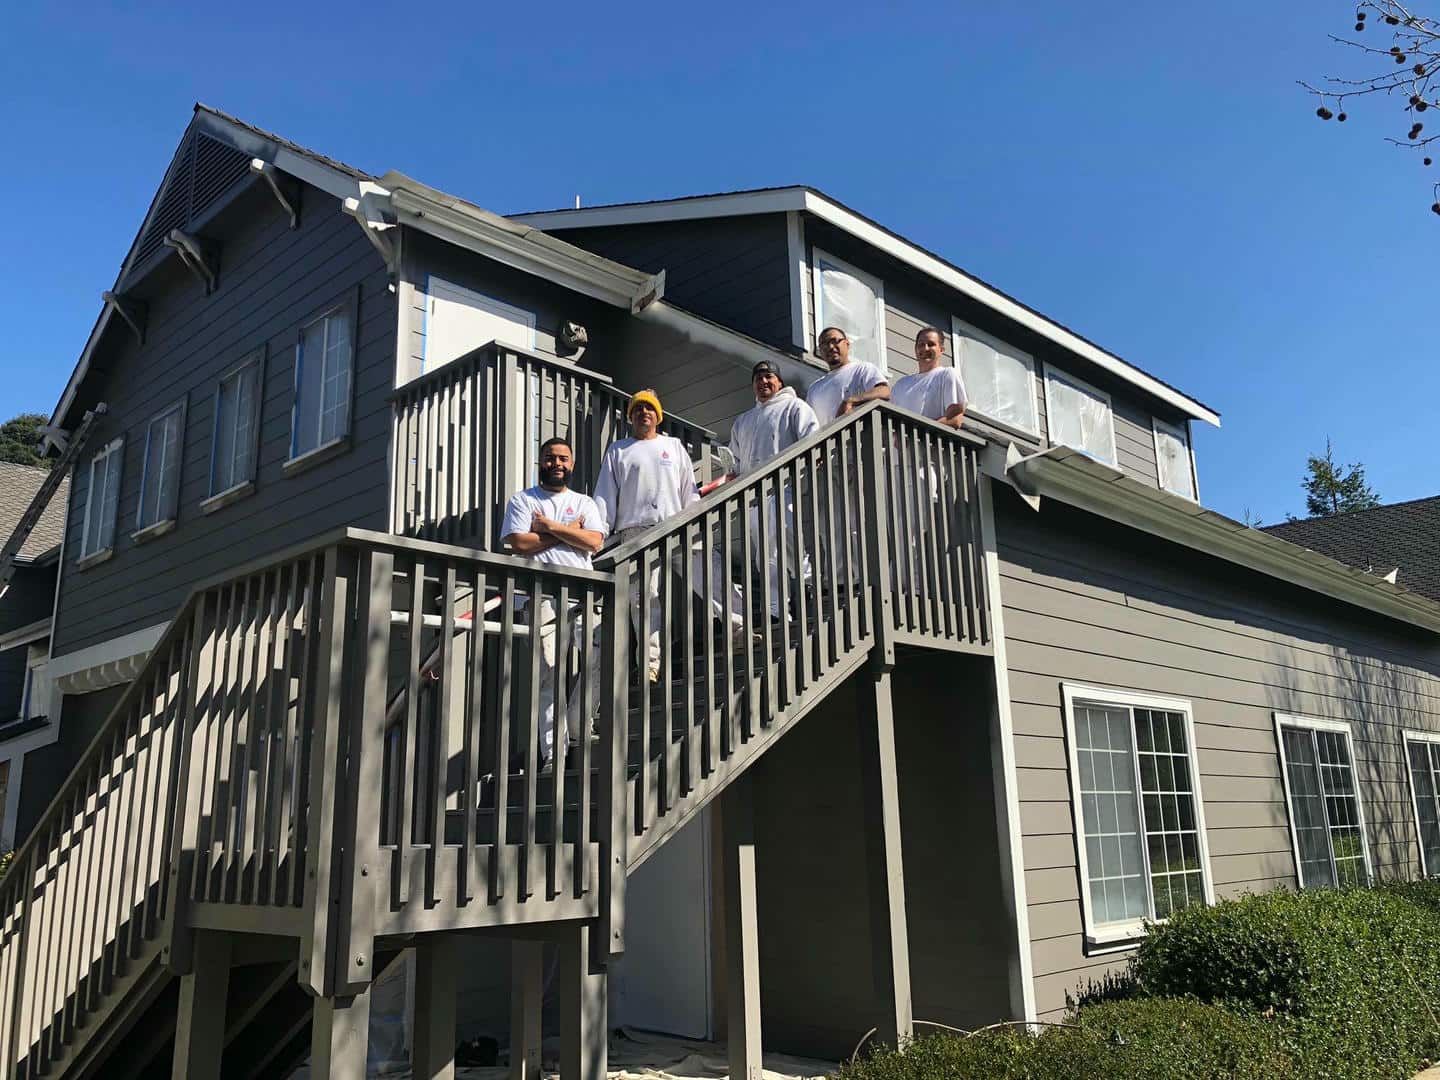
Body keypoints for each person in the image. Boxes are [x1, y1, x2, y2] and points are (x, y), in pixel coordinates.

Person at [595, 389, 746, 681]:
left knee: (710, 576)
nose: (644, 413)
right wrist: (600, 529)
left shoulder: (673, 446)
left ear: (658, 416)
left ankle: (739, 630)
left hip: (677, 525)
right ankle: (650, 663)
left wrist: (695, 520)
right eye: (638, 409)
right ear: (631, 416)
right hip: (636, 531)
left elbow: (688, 489)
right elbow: (605, 494)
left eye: (649, 408)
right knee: (644, 598)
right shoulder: (619, 450)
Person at [501, 437, 607, 772]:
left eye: (563, 458)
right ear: (541, 461)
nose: (556, 463)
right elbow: (519, 543)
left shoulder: (584, 502)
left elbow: (594, 541)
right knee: (549, 675)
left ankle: (577, 724)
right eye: (550, 457)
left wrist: (548, 527)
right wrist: (568, 532)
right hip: (539, 597)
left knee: (599, 659)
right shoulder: (523, 500)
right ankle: (554, 754)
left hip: (582, 593)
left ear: (571, 464)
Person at [727, 361, 820, 621]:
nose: (763, 382)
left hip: (784, 489)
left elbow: (812, 439)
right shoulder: (743, 421)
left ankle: (807, 592)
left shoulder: (795, 407)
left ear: (779, 381)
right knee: (765, 555)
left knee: (789, 544)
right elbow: (735, 461)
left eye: (769, 376)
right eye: (758, 378)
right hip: (753, 497)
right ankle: (775, 610)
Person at [806, 326, 890, 425]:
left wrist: (851, 400)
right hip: (830, 435)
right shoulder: (814, 389)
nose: (831, 347)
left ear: (847, 344)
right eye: (825, 344)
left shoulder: (862, 369)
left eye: (835, 341)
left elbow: (884, 391)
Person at [890, 326, 967, 428]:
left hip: (932, 438)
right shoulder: (900, 385)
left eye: (931, 344)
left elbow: (955, 419)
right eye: (921, 344)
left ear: (941, 350)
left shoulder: (947, 374)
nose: (925, 348)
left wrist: (919, 431)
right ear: (915, 349)